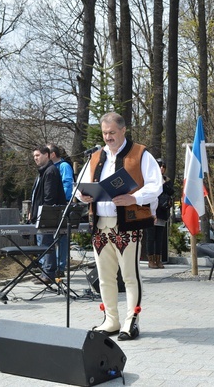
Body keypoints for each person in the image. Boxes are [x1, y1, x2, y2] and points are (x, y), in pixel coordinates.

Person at [77, 112, 162, 341]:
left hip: (127, 224)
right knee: (104, 277)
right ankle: (111, 320)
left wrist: (134, 198)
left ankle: (130, 321)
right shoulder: (95, 156)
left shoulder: (141, 154)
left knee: (130, 275)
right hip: (100, 224)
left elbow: (156, 186)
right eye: (105, 133)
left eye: (112, 132)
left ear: (123, 130)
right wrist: (82, 196)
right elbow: (80, 185)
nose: (108, 137)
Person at [29, 145, 66, 285]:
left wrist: (42, 214)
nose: (35, 158)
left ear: (47, 155)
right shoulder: (42, 172)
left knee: (46, 244)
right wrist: (31, 212)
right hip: (38, 214)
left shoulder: (50, 171)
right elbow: (36, 195)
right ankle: (46, 271)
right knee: (43, 243)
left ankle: (49, 274)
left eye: (38, 155)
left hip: (46, 215)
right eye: (34, 156)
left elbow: (49, 197)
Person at [48, 143, 74, 277]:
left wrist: (60, 200)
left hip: (61, 205)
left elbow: (68, 184)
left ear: (52, 154)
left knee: (61, 237)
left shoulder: (63, 166)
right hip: (51, 206)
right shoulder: (50, 167)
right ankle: (49, 266)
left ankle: (60, 267)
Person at [146, 158, 174, 269]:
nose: (161, 168)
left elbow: (171, 191)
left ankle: (158, 260)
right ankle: (151, 260)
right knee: (150, 237)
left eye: (163, 167)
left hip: (162, 212)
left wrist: (163, 183)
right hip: (151, 212)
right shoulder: (150, 179)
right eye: (159, 166)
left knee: (159, 238)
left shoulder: (166, 180)